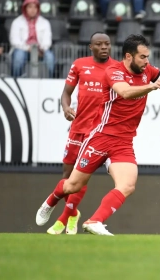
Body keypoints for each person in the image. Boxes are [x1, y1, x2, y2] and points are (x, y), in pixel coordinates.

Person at [35, 34, 160, 236]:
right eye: (142, 57)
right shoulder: (113, 71)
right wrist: (151, 86)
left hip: (124, 141)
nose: (147, 61)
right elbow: (124, 92)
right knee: (72, 185)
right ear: (128, 57)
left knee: (128, 184)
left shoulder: (148, 71)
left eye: (148, 57)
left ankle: (95, 221)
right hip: (101, 137)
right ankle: (51, 201)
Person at [46, 32, 118, 235]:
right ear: (91, 47)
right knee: (68, 177)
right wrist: (66, 108)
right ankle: (73, 213)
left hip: (98, 131)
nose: (104, 47)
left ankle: (64, 217)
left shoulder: (117, 68)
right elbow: (66, 93)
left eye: (107, 44)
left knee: (82, 176)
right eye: (99, 44)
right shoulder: (79, 64)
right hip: (77, 128)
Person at [9, 0, 54, 77]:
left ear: (38, 9)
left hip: (40, 50)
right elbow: (14, 41)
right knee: (19, 56)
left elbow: (47, 40)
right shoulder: (16, 22)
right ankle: (16, 79)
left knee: (50, 57)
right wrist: (28, 48)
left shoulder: (45, 22)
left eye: (35, 7)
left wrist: (40, 49)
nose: (32, 10)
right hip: (23, 49)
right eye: (30, 7)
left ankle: (50, 80)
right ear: (25, 8)